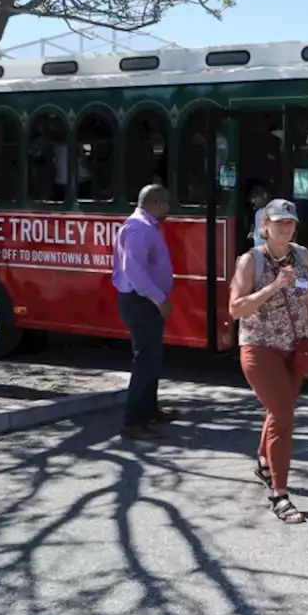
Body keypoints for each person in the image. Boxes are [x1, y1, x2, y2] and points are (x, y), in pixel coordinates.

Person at [229, 198, 308, 524]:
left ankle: (263, 462)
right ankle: (280, 494)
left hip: (296, 348)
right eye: (278, 222)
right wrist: (273, 287)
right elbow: (236, 309)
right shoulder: (251, 261)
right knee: (283, 415)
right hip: (259, 349)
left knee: (280, 411)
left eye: (290, 222)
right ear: (265, 227)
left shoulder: (302, 255)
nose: (285, 227)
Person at [113, 184, 178, 441]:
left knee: (152, 359)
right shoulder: (139, 229)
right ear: (157, 203)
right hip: (140, 302)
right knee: (144, 361)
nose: (169, 209)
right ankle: (132, 422)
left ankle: (149, 410)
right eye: (167, 204)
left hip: (143, 302)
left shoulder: (145, 226)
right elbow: (135, 272)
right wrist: (159, 299)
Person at [248, 183, 272, 248]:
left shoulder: (265, 212)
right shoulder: (258, 212)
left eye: (255, 197)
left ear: (265, 196)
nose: (252, 200)